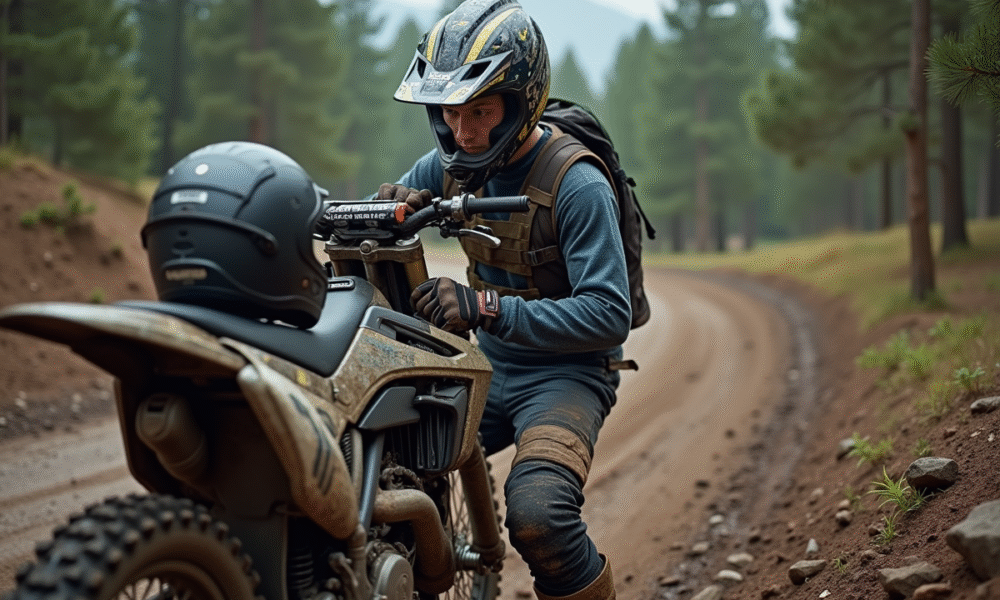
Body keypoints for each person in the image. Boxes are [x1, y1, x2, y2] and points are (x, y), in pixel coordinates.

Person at [377, 2, 630, 599]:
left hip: (567, 374)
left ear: (520, 103)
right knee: (382, 470)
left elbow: (609, 312)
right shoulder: (455, 164)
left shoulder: (577, 183)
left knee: (540, 516)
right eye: (449, 114)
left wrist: (486, 308)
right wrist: (383, 213)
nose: (463, 133)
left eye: (481, 112)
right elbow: (383, 205)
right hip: (484, 369)